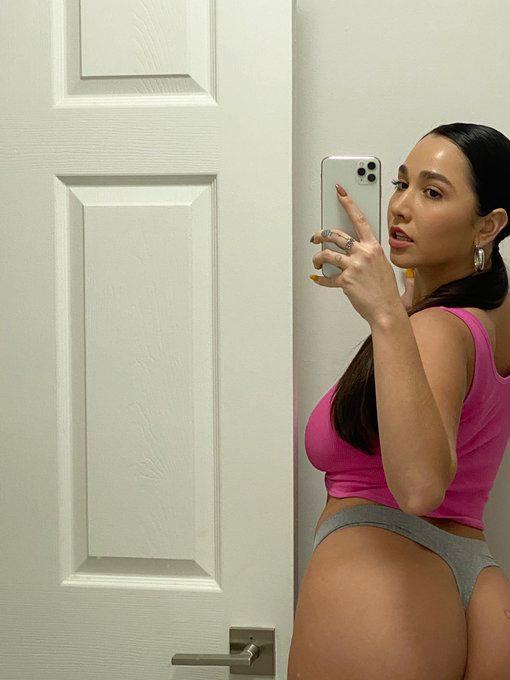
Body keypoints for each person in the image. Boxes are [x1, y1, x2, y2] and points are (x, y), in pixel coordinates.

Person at [288, 123, 510, 679]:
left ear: (488, 225)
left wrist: (388, 314)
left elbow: (419, 488)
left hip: (383, 587)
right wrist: (405, 303)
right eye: (401, 183)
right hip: (480, 591)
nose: (400, 207)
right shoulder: (489, 317)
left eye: (432, 192)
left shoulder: (434, 329)